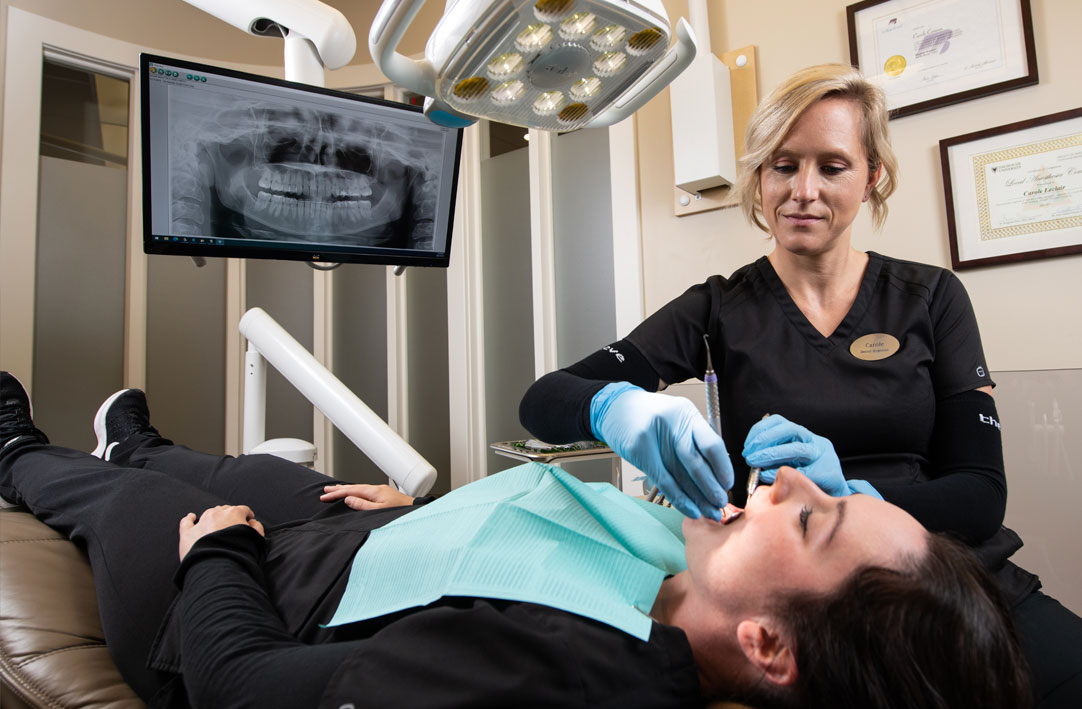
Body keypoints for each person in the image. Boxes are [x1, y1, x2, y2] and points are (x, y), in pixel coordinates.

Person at [519, 63, 1082, 707]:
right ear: (760, 178)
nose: (803, 191)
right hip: (802, 608)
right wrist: (615, 407)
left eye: (833, 167)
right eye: (782, 166)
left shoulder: (929, 299)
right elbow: (544, 399)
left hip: (944, 582)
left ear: (873, 177)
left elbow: (981, 497)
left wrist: (852, 495)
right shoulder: (717, 310)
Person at [0, 372, 1029, 708]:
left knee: (137, 511)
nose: (790, 477)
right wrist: (413, 522)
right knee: (278, 474)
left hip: (231, 611)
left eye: (813, 514)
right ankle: (140, 447)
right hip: (352, 548)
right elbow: (519, 540)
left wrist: (219, 553)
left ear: (767, 643)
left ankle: (21, 450)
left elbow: (240, 680)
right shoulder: (687, 569)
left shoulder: (560, 674)